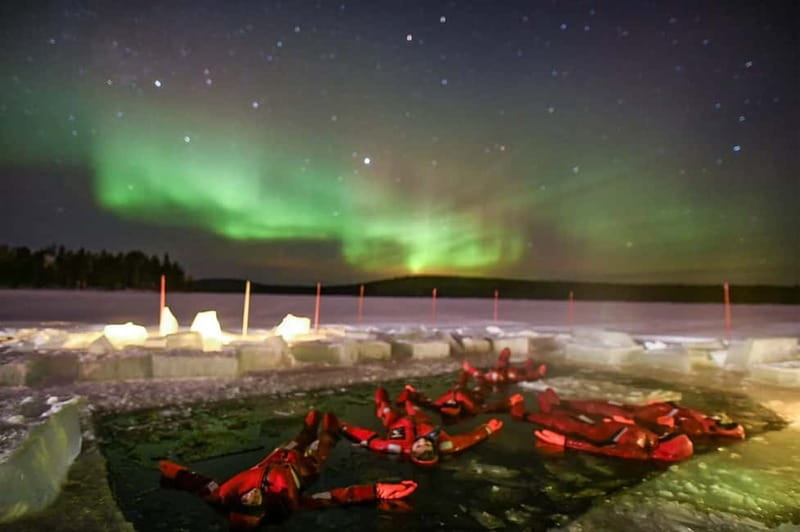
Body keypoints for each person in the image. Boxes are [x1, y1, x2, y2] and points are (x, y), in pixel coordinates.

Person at [159, 409, 418, 529]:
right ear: (262, 511)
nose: (252, 496)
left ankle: (310, 425)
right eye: (255, 504)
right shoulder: (287, 503)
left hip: (278, 456)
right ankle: (332, 429)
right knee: (322, 446)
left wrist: (173, 471)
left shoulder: (224, 495)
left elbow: (199, 483)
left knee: (301, 437)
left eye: (245, 501)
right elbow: (333, 498)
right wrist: (379, 490)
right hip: (304, 469)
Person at [340, 386, 503, 467]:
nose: (423, 441)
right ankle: (407, 396)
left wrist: (344, 427)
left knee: (382, 401)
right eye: (427, 445)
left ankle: (393, 398)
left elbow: (370, 439)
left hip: (395, 421)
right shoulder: (445, 445)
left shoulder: (396, 448)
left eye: (419, 446)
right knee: (411, 406)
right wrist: (487, 430)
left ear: (412, 452)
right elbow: (467, 439)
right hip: (419, 419)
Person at [509, 394, 693, 462]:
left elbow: (600, 450)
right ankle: (554, 406)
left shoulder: (638, 453)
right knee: (582, 413)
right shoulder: (654, 440)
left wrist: (565, 442)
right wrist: (631, 424)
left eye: (669, 439)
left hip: (594, 433)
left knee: (565, 424)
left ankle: (522, 416)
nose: (666, 436)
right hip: (609, 426)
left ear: (667, 454)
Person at [536, 388, 745, 439]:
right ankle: (560, 403)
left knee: (601, 409)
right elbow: (681, 412)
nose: (719, 422)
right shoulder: (704, 420)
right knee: (602, 404)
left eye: (723, 426)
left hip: (640, 417)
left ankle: (555, 407)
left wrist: (633, 423)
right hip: (644, 412)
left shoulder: (701, 428)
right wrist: (669, 407)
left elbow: (665, 431)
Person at [461, 347, 547, 388]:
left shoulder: (501, 371)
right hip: (507, 377)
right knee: (524, 372)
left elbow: (480, 375)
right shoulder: (503, 373)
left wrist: (470, 370)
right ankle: (536, 371)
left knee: (524, 371)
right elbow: (481, 376)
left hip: (506, 375)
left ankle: (535, 369)